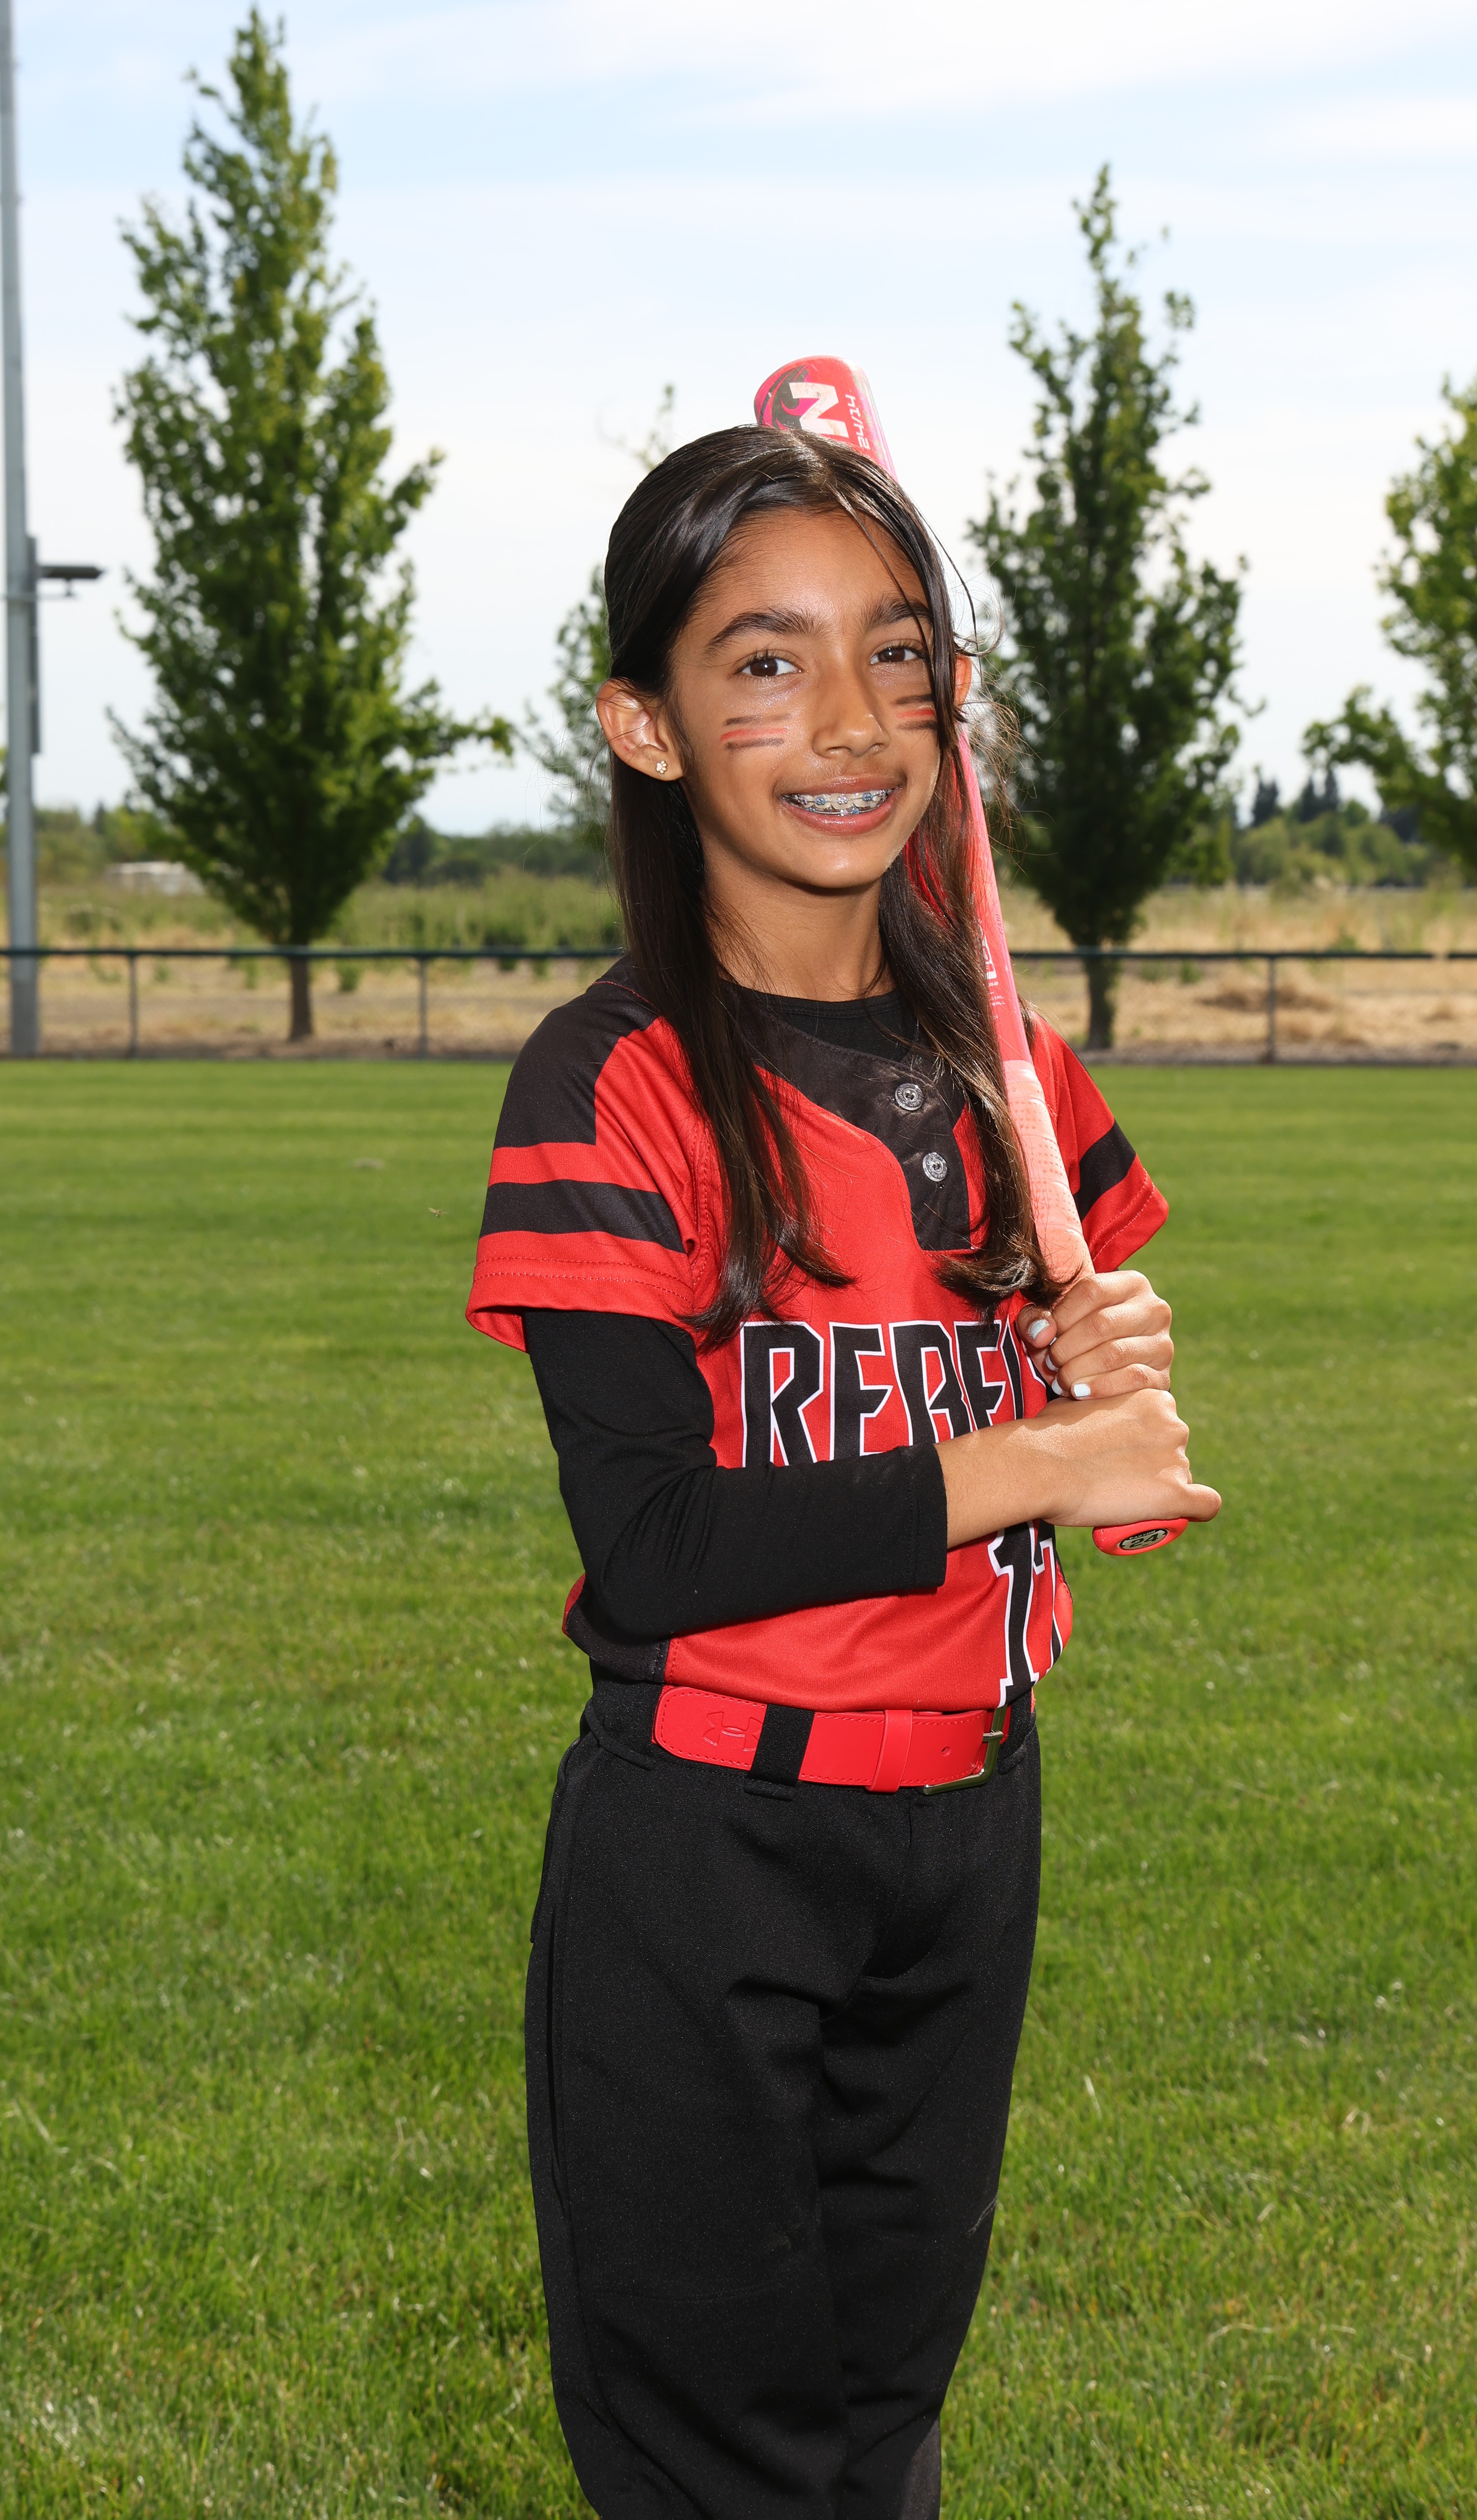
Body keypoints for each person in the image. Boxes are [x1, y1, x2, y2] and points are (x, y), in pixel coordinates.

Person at [467, 425, 1220, 2520]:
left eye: (895, 658)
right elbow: (651, 1543)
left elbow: (1059, 1373)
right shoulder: (610, 1078)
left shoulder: (1013, 1068)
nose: (849, 723)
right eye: (764, 664)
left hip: (968, 1824)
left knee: (884, 2431)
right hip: (712, 1848)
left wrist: (1103, 1363)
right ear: (646, 727)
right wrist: (1024, 1456)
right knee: (720, 2454)